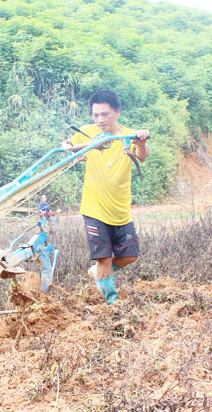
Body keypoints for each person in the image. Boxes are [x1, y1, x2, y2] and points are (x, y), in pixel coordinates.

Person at [61, 89, 150, 304]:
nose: (100, 120)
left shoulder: (128, 135)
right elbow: (66, 146)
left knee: (130, 256)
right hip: (94, 208)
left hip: (120, 209)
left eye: (105, 114)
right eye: (95, 115)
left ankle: (98, 272)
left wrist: (141, 141)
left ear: (117, 112)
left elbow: (143, 156)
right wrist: (69, 150)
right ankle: (112, 303)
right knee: (104, 258)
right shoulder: (87, 133)